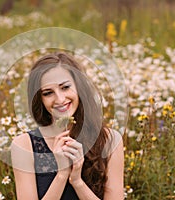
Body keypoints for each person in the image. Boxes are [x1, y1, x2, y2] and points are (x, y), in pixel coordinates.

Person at [11, 52, 124, 199]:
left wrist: (77, 182)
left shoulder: (110, 140)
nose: (60, 99)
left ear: (79, 87)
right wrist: (62, 174)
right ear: (39, 99)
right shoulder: (23, 145)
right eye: (48, 93)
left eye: (65, 87)